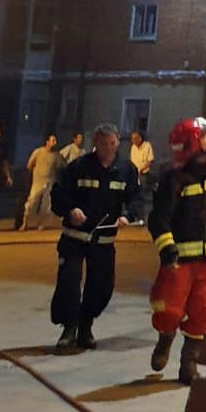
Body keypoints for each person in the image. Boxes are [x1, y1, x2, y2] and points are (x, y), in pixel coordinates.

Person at [148, 117, 206, 385]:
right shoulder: (172, 179)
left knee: (203, 312)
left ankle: (188, 363)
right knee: (169, 309)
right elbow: (159, 219)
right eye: (204, 137)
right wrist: (166, 248)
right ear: (191, 144)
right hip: (179, 262)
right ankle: (165, 338)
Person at [48, 122, 141, 354]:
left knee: (101, 287)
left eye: (112, 144)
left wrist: (127, 215)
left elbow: (135, 199)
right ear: (95, 144)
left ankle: (85, 326)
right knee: (69, 283)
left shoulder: (127, 170)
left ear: (118, 142)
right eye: (103, 144)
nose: (108, 149)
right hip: (75, 238)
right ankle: (68, 330)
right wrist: (70, 210)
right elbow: (58, 194)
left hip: (104, 241)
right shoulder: (78, 167)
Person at [22, 134, 62, 229]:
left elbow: (59, 168)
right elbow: (29, 165)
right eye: (53, 140)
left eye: (55, 141)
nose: (55, 143)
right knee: (31, 202)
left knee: (46, 205)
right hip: (38, 182)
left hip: (50, 182)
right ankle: (25, 223)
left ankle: (41, 224)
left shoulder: (56, 155)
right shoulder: (38, 152)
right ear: (47, 142)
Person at [129, 128, 156, 217]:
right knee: (134, 195)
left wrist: (140, 169)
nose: (132, 140)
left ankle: (142, 217)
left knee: (142, 196)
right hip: (134, 174)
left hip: (143, 174)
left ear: (140, 138)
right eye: (132, 138)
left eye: (134, 138)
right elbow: (132, 161)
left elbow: (150, 160)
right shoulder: (133, 147)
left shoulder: (147, 146)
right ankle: (134, 216)